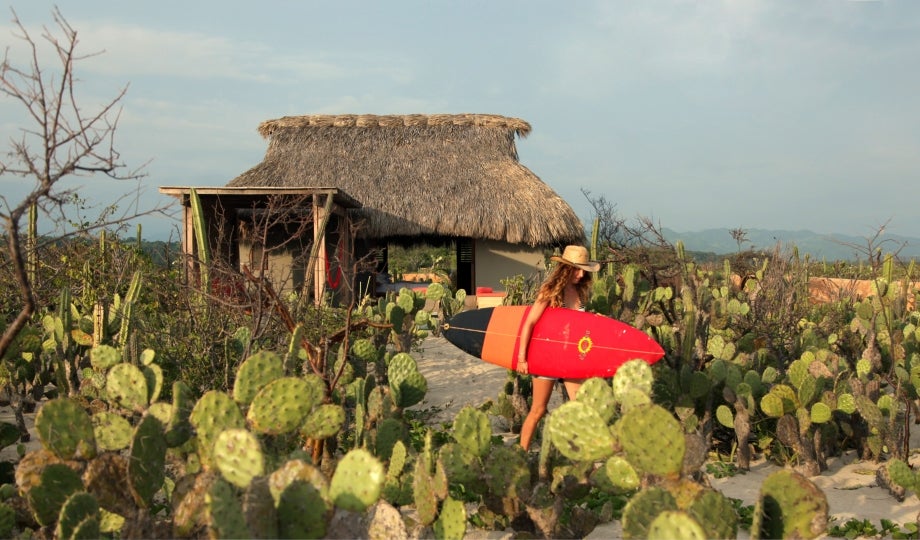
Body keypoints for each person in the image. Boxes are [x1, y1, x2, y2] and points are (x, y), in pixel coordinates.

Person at [516, 244, 600, 451]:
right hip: (547, 357)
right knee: (538, 410)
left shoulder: (580, 292)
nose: (581, 275)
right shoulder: (550, 291)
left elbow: (578, 326)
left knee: (581, 408)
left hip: (571, 358)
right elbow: (529, 323)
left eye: (584, 270)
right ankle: (520, 454)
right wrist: (521, 358)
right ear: (566, 268)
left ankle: (580, 454)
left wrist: (595, 321)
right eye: (577, 269)